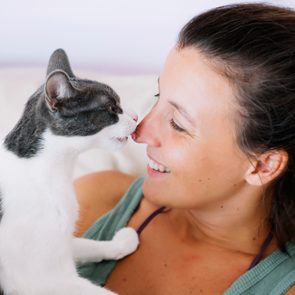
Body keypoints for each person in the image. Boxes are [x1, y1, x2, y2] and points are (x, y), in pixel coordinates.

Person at [74, 3, 295, 294]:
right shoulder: (94, 200)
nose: (139, 133)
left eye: (177, 123)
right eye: (158, 95)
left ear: (262, 165)